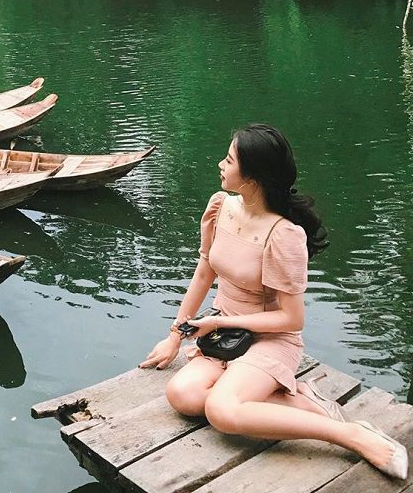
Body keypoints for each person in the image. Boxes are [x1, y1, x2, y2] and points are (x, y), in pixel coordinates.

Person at [140, 124, 408, 480]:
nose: (220, 164)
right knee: (182, 395)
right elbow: (204, 272)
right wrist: (175, 335)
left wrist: (219, 322)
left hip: (271, 339)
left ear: (252, 177)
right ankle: (299, 400)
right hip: (225, 335)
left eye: (229, 160)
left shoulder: (283, 235)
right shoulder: (220, 206)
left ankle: (351, 434)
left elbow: (292, 320)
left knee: (222, 410)